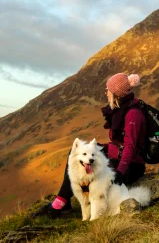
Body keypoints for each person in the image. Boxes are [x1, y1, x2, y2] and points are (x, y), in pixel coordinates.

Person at [32, 73, 147, 219]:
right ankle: (63, 200)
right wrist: (100, 148)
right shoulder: (122, 109)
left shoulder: (133, 114)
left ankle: (66, 204)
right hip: (119, 154)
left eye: (108, 89)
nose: (106, 92)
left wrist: (120, 172)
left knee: (94, 167)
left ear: (116, 93)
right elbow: (121, 144)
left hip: (132, 165)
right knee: (77, 152)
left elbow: (130, 147)